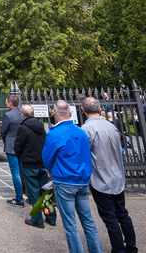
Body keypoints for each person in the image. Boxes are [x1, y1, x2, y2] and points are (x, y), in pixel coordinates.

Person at [42, 100, 102, 253]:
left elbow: (47, 157)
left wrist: (51, 171)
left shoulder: (54, 134)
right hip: (82, 180)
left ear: (53, 113)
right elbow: (87, 154)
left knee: (70, 224)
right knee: (88, 221)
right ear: (70, 114)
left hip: (64, 180)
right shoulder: (80, 132)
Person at [81, 97, 137, 253]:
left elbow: (84, 155)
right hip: (117, 176)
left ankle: (118, 249)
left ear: (83, 110)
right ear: (99, 109)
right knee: (122, 214)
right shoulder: (112, 127)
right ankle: (131, 247)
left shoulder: (86, 130)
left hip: (100, 177)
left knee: (110, 218)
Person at [14, 104, 56, 229]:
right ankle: (51, 217)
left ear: (23, 115)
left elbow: (18, 146)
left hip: (30, 163)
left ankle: (37, 219)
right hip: (42, 161)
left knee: (33, 191)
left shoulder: (23, 128)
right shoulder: (40, 126)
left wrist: (20, 156)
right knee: (45, 190)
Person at [0, 94, 24, 207]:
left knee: (15, 172)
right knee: (23, 171)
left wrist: (6, 140)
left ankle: (19, 197)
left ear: (10, 103)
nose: (5, 103)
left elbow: (3, 131)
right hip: (22, 145)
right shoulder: (22, 114)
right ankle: (30, 195)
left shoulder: (8, 115)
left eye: (6, 101)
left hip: (11, 145)